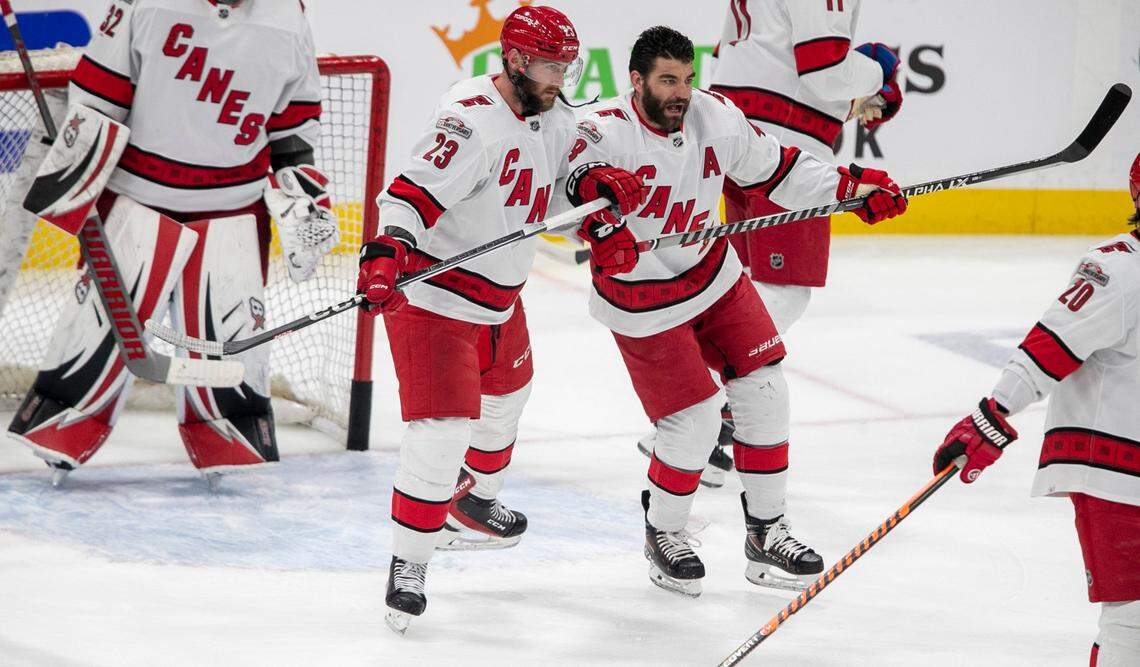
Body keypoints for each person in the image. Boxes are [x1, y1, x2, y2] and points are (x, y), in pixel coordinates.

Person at [568, 26, 906, 597]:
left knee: (765, 390)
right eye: (667, 80)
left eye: (687, 78)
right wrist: (597, 224)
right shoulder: (600, 131)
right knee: (694, 423)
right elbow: (557, 198)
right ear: (635, 81)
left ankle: (767, 531)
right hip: (643, 300)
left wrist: (851, 188)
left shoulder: (715, 115)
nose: (681, 92)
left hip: (713, 277)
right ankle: (665, 532)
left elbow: (781, 168)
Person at [357, 6, 646, 633]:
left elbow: (564, 172)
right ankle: (409, 562)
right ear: (513, 60)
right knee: (439, 435)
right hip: (436, 301)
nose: (560, 75)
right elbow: (408, 193)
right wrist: (384, 253)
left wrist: (595, 188)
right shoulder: (468, 122)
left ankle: (473, 504)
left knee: (508, 400)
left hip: (501, 300)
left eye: (567, 65)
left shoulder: (552, 112)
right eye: (550, 65)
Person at [7, 0, 338, 488]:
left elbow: (292, 128)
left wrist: (303, 199)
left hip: (233, 207)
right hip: (137, 197)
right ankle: (66, 424)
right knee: (97, 328)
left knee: (230, 342)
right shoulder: (148, 3)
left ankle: (229, 435)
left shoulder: (287, 18)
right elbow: (100, 93)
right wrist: (78, 179)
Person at [638, 0, 904, 481]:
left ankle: (707, 430)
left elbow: (754, 59)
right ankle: (686, 411)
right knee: (783, 291)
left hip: (741, 132)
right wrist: (877, 70)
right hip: (785, 150)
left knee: (737, 286)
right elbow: (823, 69)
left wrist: (857, 100)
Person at [933, 155, 1140, 666]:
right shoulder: (1120, 269)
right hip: (1112, 469)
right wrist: (993, 414)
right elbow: (1051, 345)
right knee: (1132, 615)